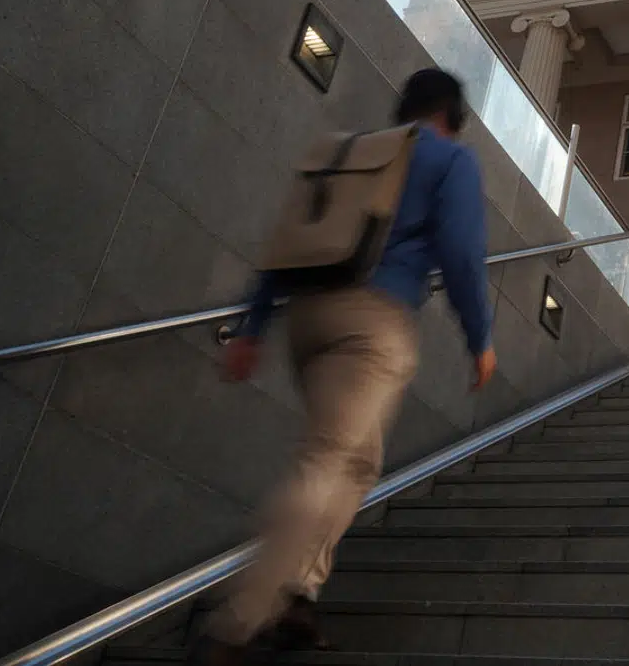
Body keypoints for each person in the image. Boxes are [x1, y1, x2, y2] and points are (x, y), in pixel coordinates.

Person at [197, 68, 497, 665]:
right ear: (453, 119)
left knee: (358, 461)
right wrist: (480, 339)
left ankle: (299, 595)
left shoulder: (355, 154)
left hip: (309, 319)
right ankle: (237, 622)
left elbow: (290, 241)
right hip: (375, 322)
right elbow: (462, 255)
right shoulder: (449, 160)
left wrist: (254, 325)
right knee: (328, 458)